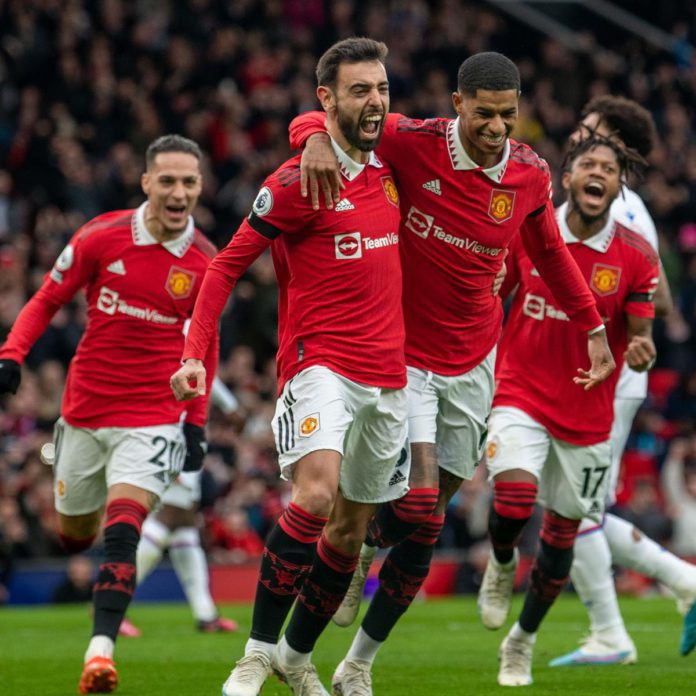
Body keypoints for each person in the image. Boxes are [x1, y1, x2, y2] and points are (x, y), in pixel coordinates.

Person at [288, 51, 613, 695]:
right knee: (420, 510)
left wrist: (594, 327)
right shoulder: (413, 142)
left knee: (425, 517)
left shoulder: (528, 173)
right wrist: (313, 139)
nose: (497, 128)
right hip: (403, 353)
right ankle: (352, 562)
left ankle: (358, 662)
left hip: (475, 359)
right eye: (485, 114)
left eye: (508, 116)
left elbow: (548, 249)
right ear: (458, 105)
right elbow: (334, 116)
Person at [170, 37, 409, 696]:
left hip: (389, 374)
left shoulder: (394, 167)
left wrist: (312, 132)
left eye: (382, 89)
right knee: (314, 494)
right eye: (360, 90)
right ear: (328, 98)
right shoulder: (297, 181)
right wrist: (193, 356)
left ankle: (297, 660)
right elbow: (222, 267)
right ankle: (253, 653)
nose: (375, 102)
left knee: (353, 529)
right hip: (319, 362)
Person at [0, 134, 217, 694]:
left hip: (153, 417)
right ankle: (84, 530)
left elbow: (206, 345)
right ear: (146, 182)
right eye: (167, 180)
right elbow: (48, 297)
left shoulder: (206, 263)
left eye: (188, 182)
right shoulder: (101, 237)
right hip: (84, 414)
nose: (178, 192)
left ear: (199, 188)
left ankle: (100, 653)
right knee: (75, 535)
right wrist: (11, 354)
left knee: (123, 531)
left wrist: (195, 422)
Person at [480, 134, 658, 686]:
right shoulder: (531, 231)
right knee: (512, 500)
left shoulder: (636, 256)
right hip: (521, 390)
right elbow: (493, 297)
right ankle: (503, 560)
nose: (598, 173)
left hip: (587, 412)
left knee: (561, 541)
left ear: (618, 184)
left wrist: (643, 347)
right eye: (588, 164)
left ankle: (522, 641)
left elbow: (642, 331)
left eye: (609, 167)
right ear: (568, 175)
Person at [548, 96, 696, 667]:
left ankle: (613, 632)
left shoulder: (622, 210)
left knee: (573, 511)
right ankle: (680, 582)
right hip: (591, 377)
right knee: (578, 508)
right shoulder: (614, 203)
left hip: (604, 378)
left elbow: (651, 292)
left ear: (615, 146)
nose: (576, 135)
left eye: (589, 130)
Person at [121, 376, 242, 637]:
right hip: (172, 437)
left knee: (185, 530)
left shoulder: (196, 349)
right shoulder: (181, 345)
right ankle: (112, 601)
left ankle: (206, 614)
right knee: (168, 519)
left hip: (186, 435)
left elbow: (205, 373)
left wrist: (229, 405)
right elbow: (198, 373)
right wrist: (231, 405)